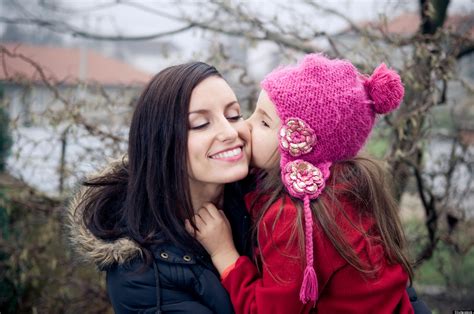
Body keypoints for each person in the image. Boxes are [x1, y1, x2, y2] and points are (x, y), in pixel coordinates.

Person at [188, 54, 415, 313]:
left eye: (263, 122)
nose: (244, 127)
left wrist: (223, 253)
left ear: (299, 145)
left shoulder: (294, 219)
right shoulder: (348, 191)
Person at [67, 61, 253, 313]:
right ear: (162, 143)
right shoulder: (138, 277)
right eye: (200, 123)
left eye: (233, 115)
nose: (230, 132)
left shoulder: (274, 201)